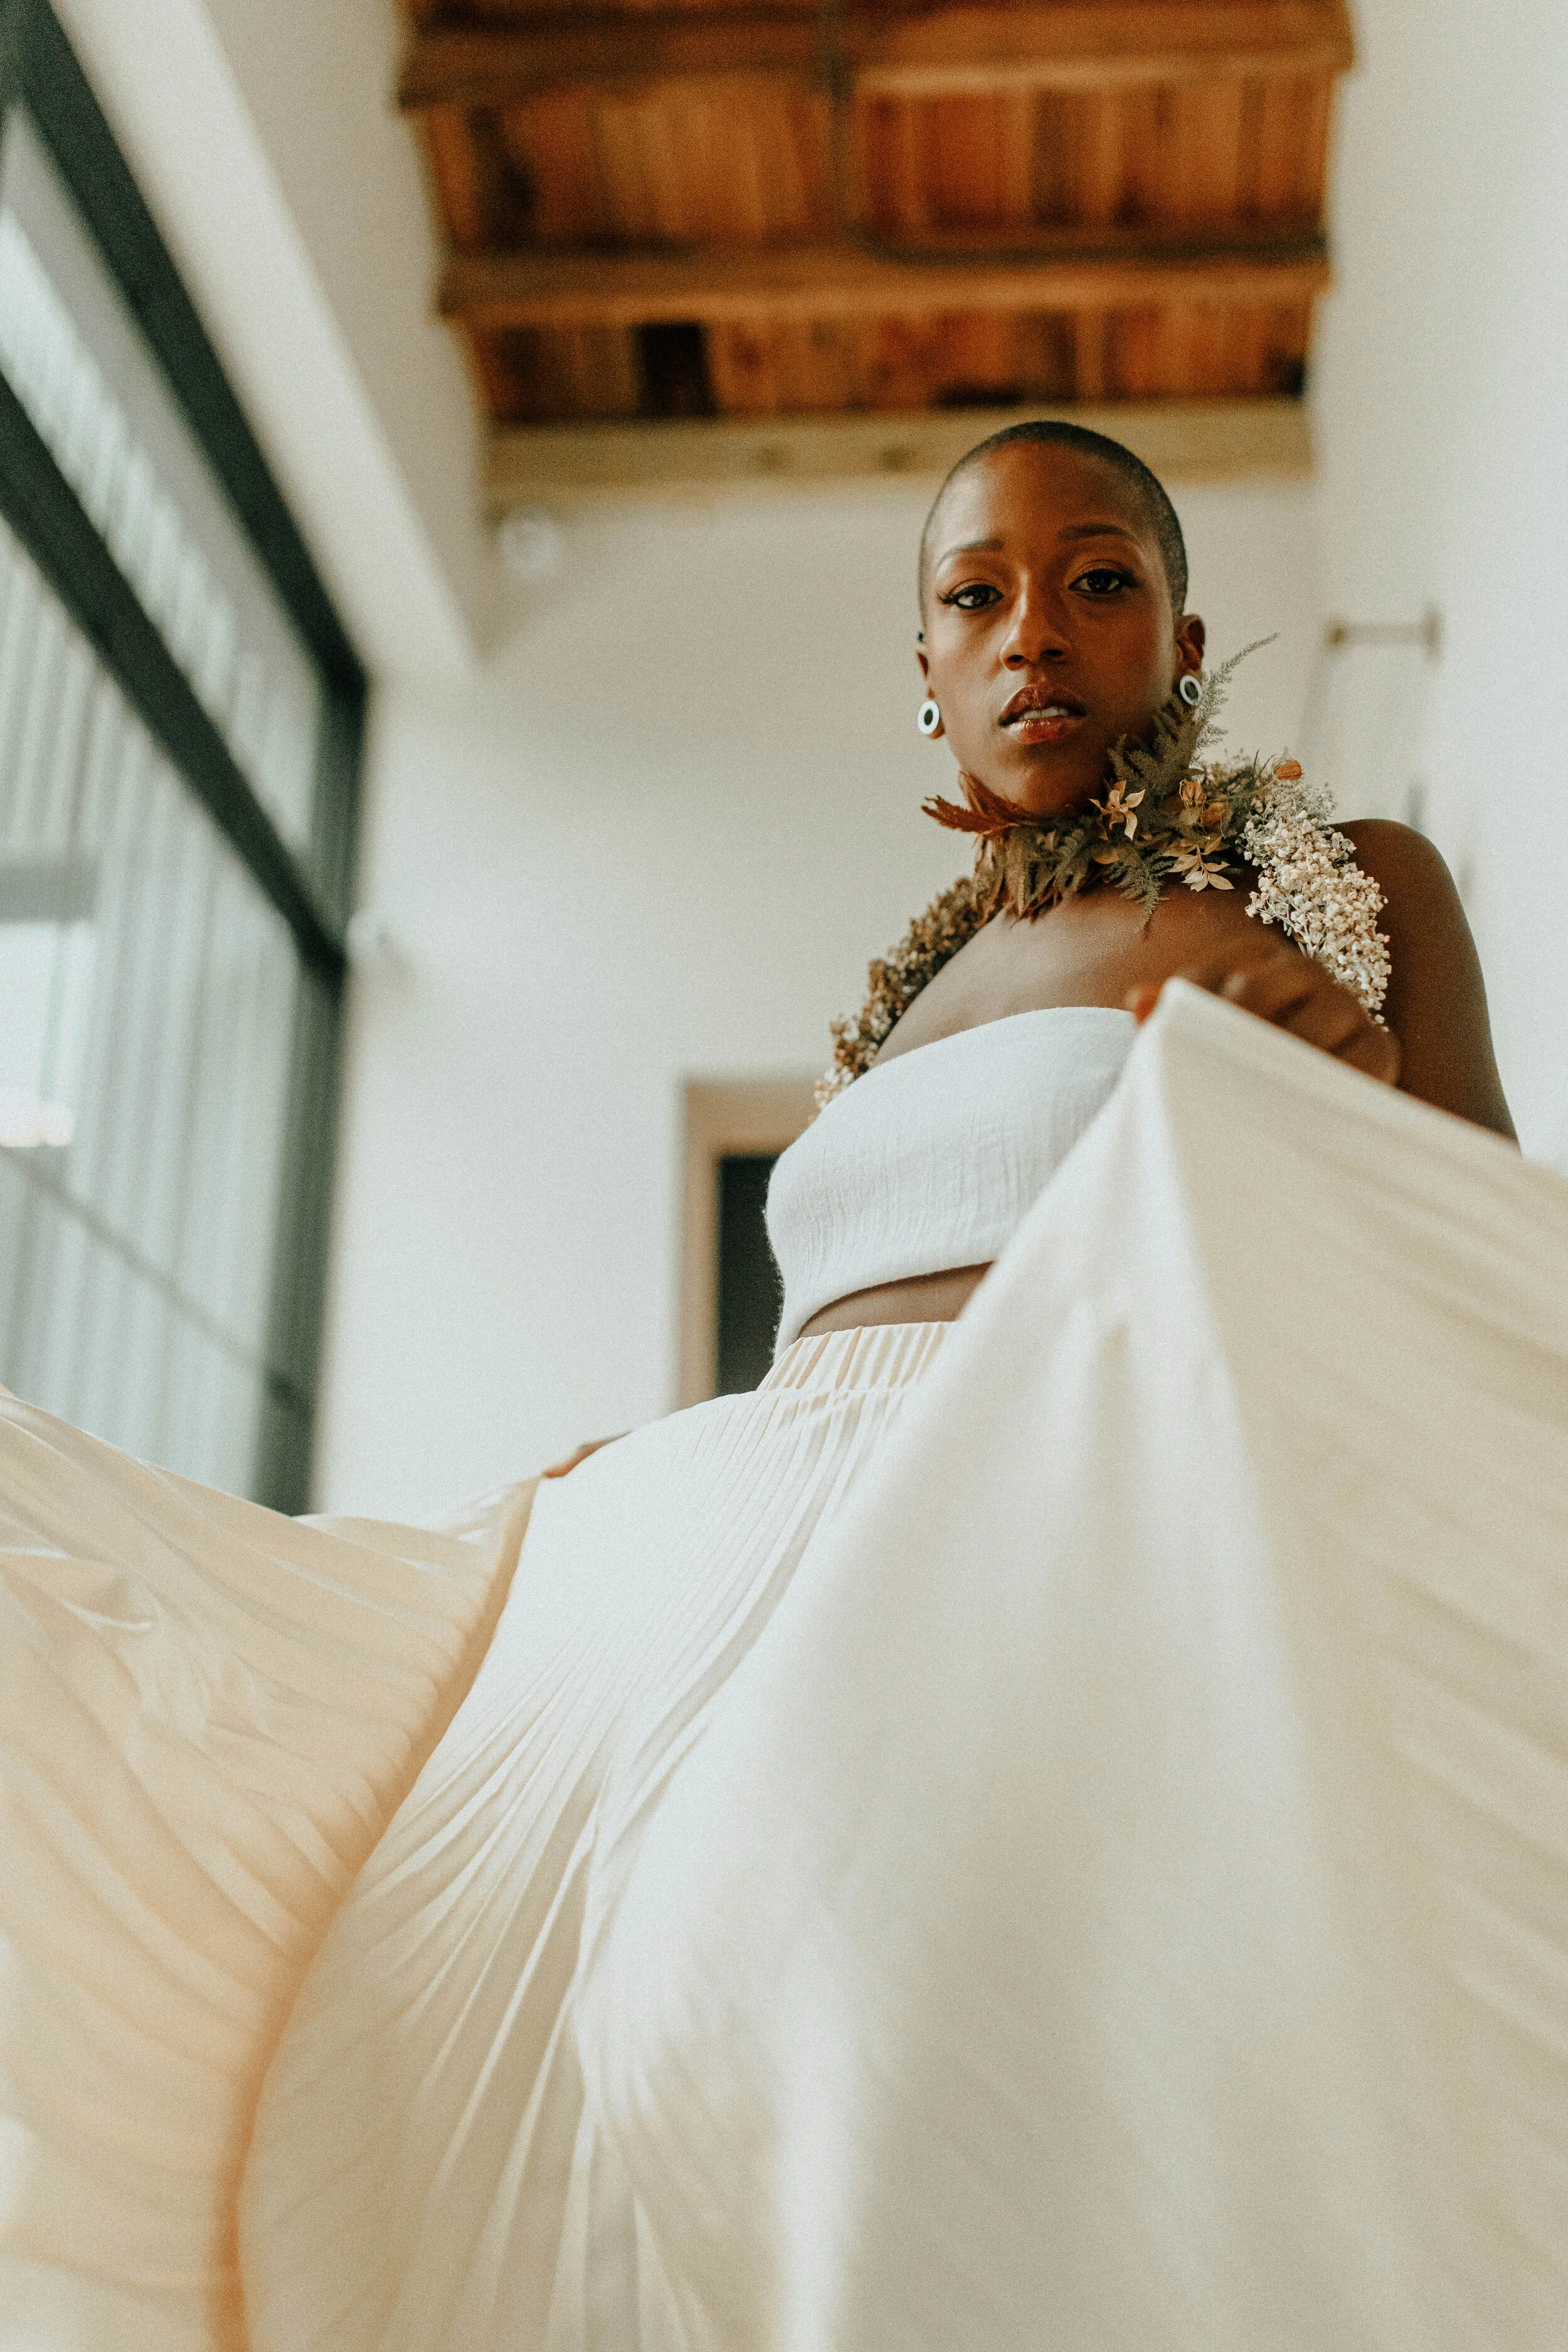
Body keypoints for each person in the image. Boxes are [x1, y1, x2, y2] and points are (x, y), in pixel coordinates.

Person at [1, 426, 1563, 2352]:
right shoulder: (907, 993)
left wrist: (1352, 1105)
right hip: (725, 1557)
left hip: (1043, 1517)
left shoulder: (1337, 877)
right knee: (307, 1849)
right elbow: (817, 1340)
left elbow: (1494, 1268)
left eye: (1097, 582)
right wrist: (626, 1478)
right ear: (924, 659)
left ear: (1181, 633)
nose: (1033, 636)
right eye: (975, 594)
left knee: (788, 2029)